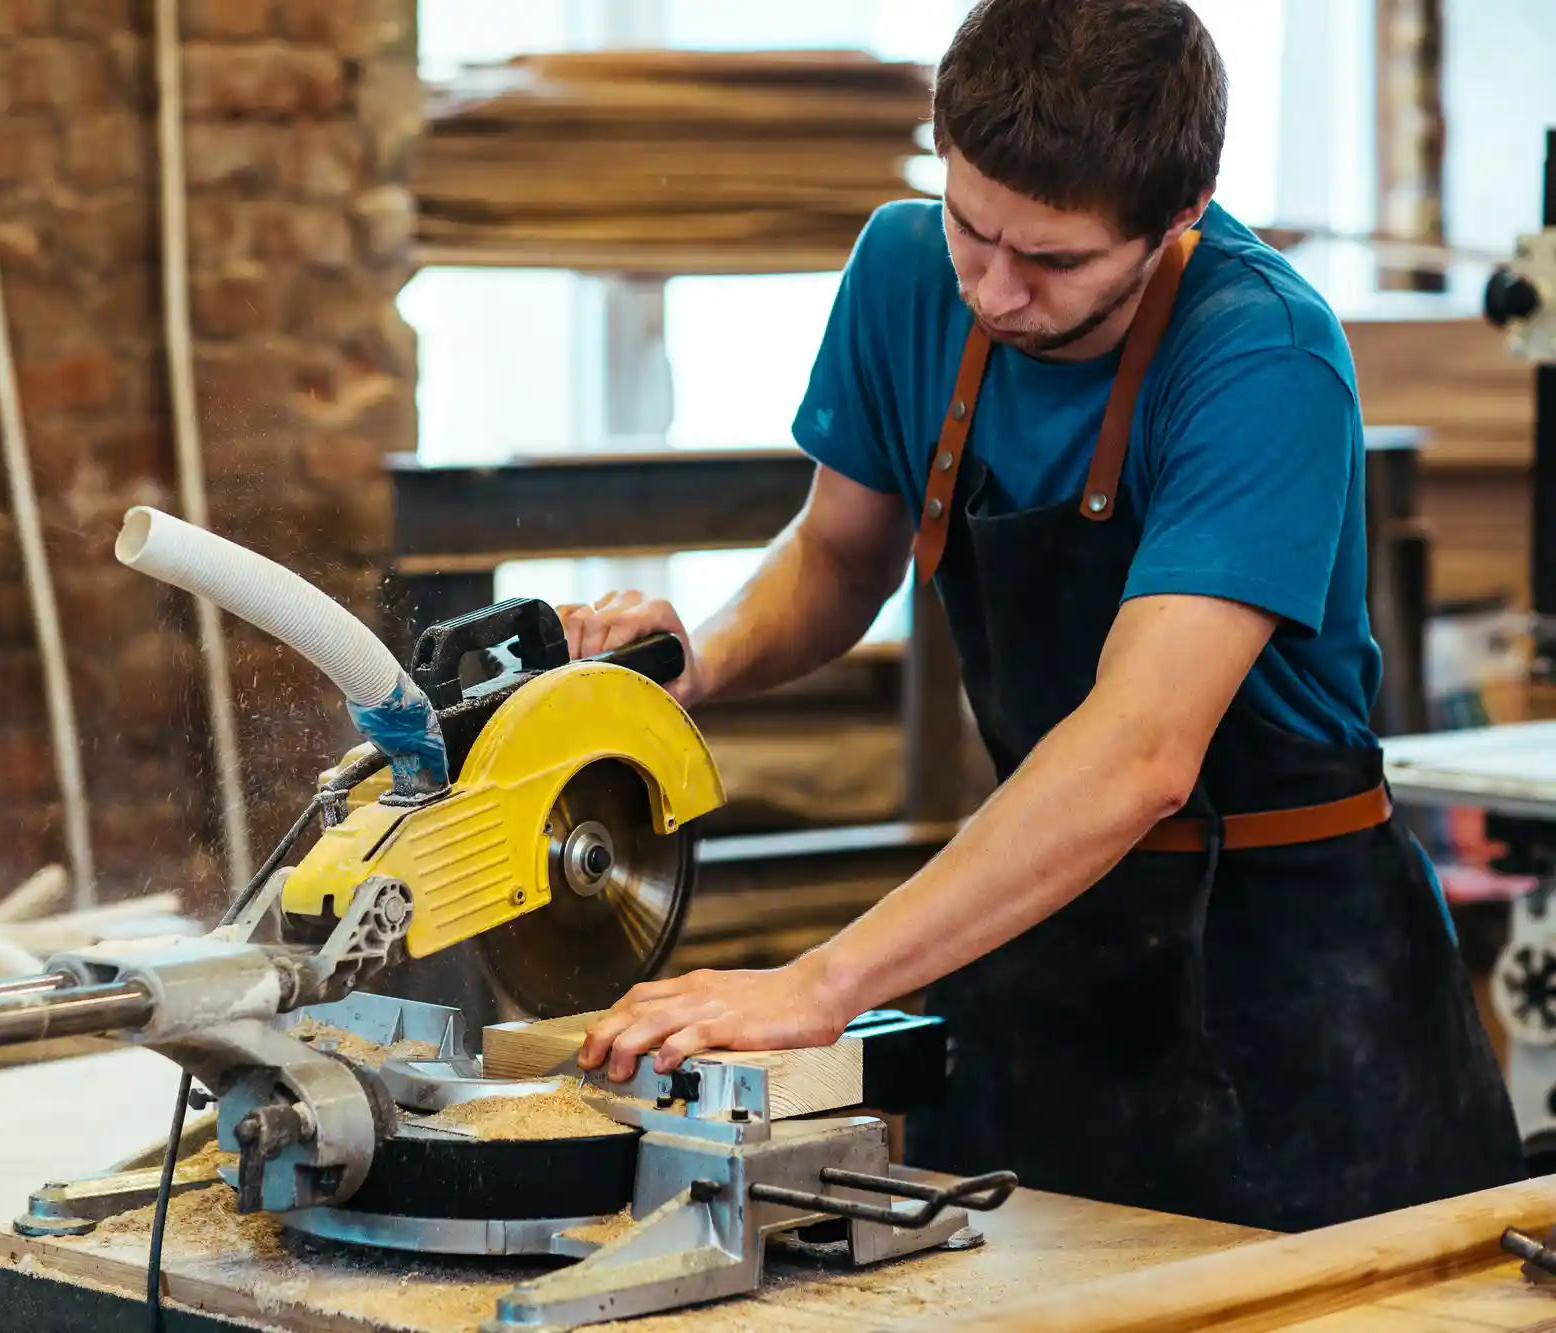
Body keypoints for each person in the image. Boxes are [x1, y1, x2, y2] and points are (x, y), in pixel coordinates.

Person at [560, 0, 1525, 1234]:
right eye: (972, 229)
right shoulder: (905, 272)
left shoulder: (1262, 354)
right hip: (1039, 933)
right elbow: (836, 556)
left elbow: (1134, 756)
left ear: (1174, 217)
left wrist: (821, 983)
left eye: (1053, 262)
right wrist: (697, 659)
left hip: (1292, 979)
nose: (996, 293)